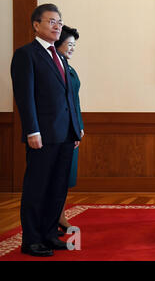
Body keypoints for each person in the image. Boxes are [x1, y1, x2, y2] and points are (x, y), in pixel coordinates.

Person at [10, 4, 82, 256]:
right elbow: (25, 97)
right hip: (42, 135)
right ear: (36, 25)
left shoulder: (60, 57)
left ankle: (50, 234)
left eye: (59, 22)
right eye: (51, 21)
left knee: (57, 187)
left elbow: (68, 96)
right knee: (37, 188)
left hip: (65, 135)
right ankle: (31, 240)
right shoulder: (25, 55)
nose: (57, 26)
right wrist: (32, 131)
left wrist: (75, 129)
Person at [55, 25, 84, 235]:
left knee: (66, 177)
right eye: (69, 44)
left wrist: (79, 127)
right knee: (56, 176)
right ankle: (56, 217)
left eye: (74, 45)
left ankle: (59, 215)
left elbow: (75, 101)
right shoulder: (54, 67)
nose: (72, 48)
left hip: (72, 130)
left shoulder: (69, 67)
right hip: (57, 131)